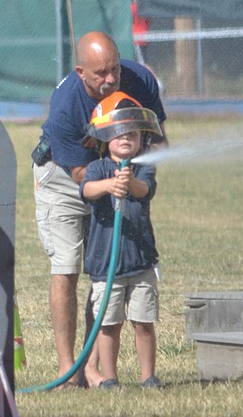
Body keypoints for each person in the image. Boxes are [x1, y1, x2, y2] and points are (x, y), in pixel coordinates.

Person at [31, 30, 167, 387]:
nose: (110, 80)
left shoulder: (139, 80)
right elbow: (81, 176)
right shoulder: (66, 107)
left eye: (114, 71)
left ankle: (92, 366)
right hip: (65, 176)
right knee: (66, 265)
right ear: (80, 72)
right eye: (100, 75)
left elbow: (159, 139)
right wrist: (109, 183)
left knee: (103, 267)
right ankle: (66, 368)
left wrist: (135, 173)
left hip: (116, 173)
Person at [80, 92, 163, 389]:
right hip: (107, 264)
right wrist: (108, 185)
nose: (126, 137)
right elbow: (87, 190)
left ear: (143, 139)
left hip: (140, 262)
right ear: (105, 137)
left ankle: (148, 377)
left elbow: (144, 190)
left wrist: (130, 183)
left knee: (143, 322)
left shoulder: (143, 168)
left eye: (133, 133)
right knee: (109, 323)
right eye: (119, 133)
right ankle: (110, 377)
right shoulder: (98, 168)